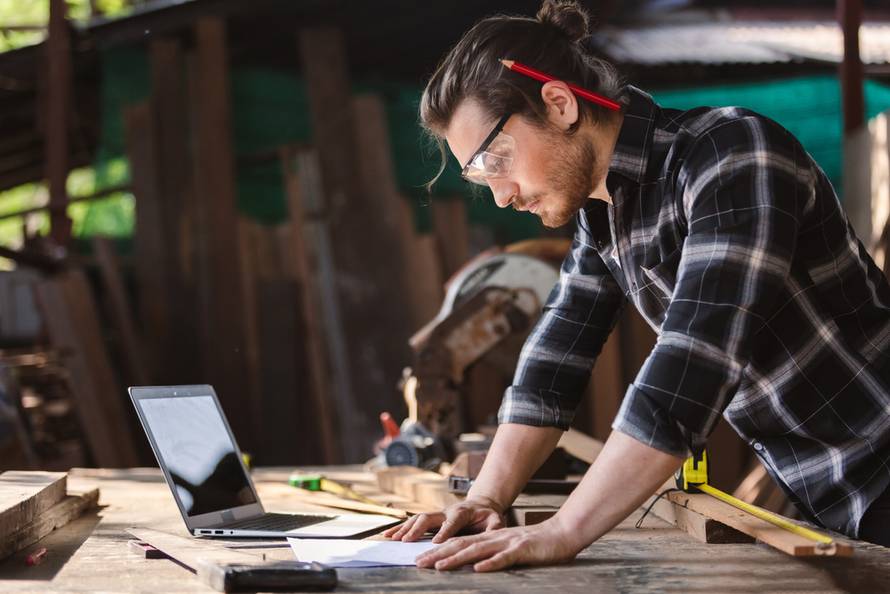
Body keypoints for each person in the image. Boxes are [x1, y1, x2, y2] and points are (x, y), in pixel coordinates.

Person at [384, 0, 890, 571]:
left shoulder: (731, 156)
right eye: (481, 176)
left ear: (559, 103)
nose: (500, 196)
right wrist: (485, 498)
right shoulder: (602, 214)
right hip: (827, 490)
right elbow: (552, 363)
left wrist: (564, 530)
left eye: (496, 160)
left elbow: (691, 366)